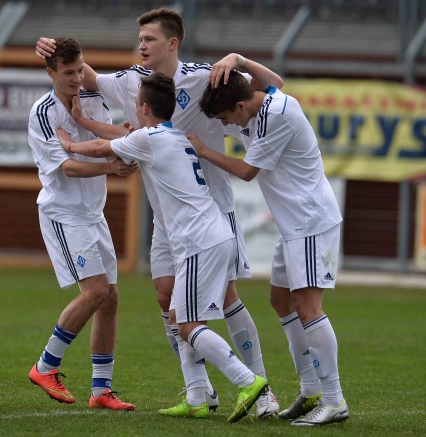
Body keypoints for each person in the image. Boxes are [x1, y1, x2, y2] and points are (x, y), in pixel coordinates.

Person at [36, 8, 282, 418]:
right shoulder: (134, 80)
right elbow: (87, 78)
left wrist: (238, 59)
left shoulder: (207, 77)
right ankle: (198, 393)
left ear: (172, 43)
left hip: (211, 210)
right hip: (168, 220)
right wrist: (53, 46)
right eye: (140, 39)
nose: (141, 46)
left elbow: (269, 87)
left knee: (225, 298)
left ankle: (262, 392)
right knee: (167, 297)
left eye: (149, 39)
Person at [189, 70, 348, 426]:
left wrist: (205, 151)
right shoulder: (255, 101)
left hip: (310, 222)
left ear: (241, 105)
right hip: (292, 225)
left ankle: (334, 399)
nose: (227, 126)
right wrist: (238, 59)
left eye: (227, 119)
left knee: (308, 307)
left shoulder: (278, 115)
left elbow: (248, 171)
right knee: (281, 300)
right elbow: (272, 78)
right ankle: (310, 390)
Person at [26, 36, 138, 411]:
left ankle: (101, 390)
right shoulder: (43, 112)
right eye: (68, 73)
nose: (76, 78)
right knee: (95, 291)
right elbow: (67, 168)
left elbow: (114, 137)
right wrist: (112, 167)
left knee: (110, 298)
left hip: (93, 212)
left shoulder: (93, 99)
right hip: (64, 212)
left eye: (79, 70)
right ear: (50, 73)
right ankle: (45, 366)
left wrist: (119, 148)